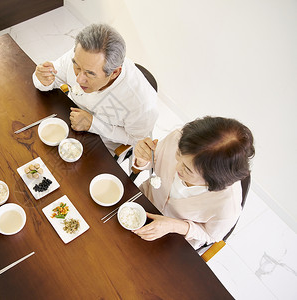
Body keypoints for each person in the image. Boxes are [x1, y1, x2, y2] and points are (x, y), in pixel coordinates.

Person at [33, 23, 158, 154]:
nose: (79, 79)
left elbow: (137, 139)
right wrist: (42, 79)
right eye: (77, 67)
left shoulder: (141, 103)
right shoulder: (83, 56)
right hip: (69, 116)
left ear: (114, 73)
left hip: (102, 144)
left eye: (90, 73)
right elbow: (53, 77)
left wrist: (93, 124)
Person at [132, 116, 255, 249]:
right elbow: (151, 162)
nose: (177, 167)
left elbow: (211, 236)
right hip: (141, 202)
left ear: (211, 180)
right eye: (178, 155)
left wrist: (174, 225)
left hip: (173, 240)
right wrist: (142, 158)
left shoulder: (227, 206)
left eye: (188, 169)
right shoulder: (180, 140)